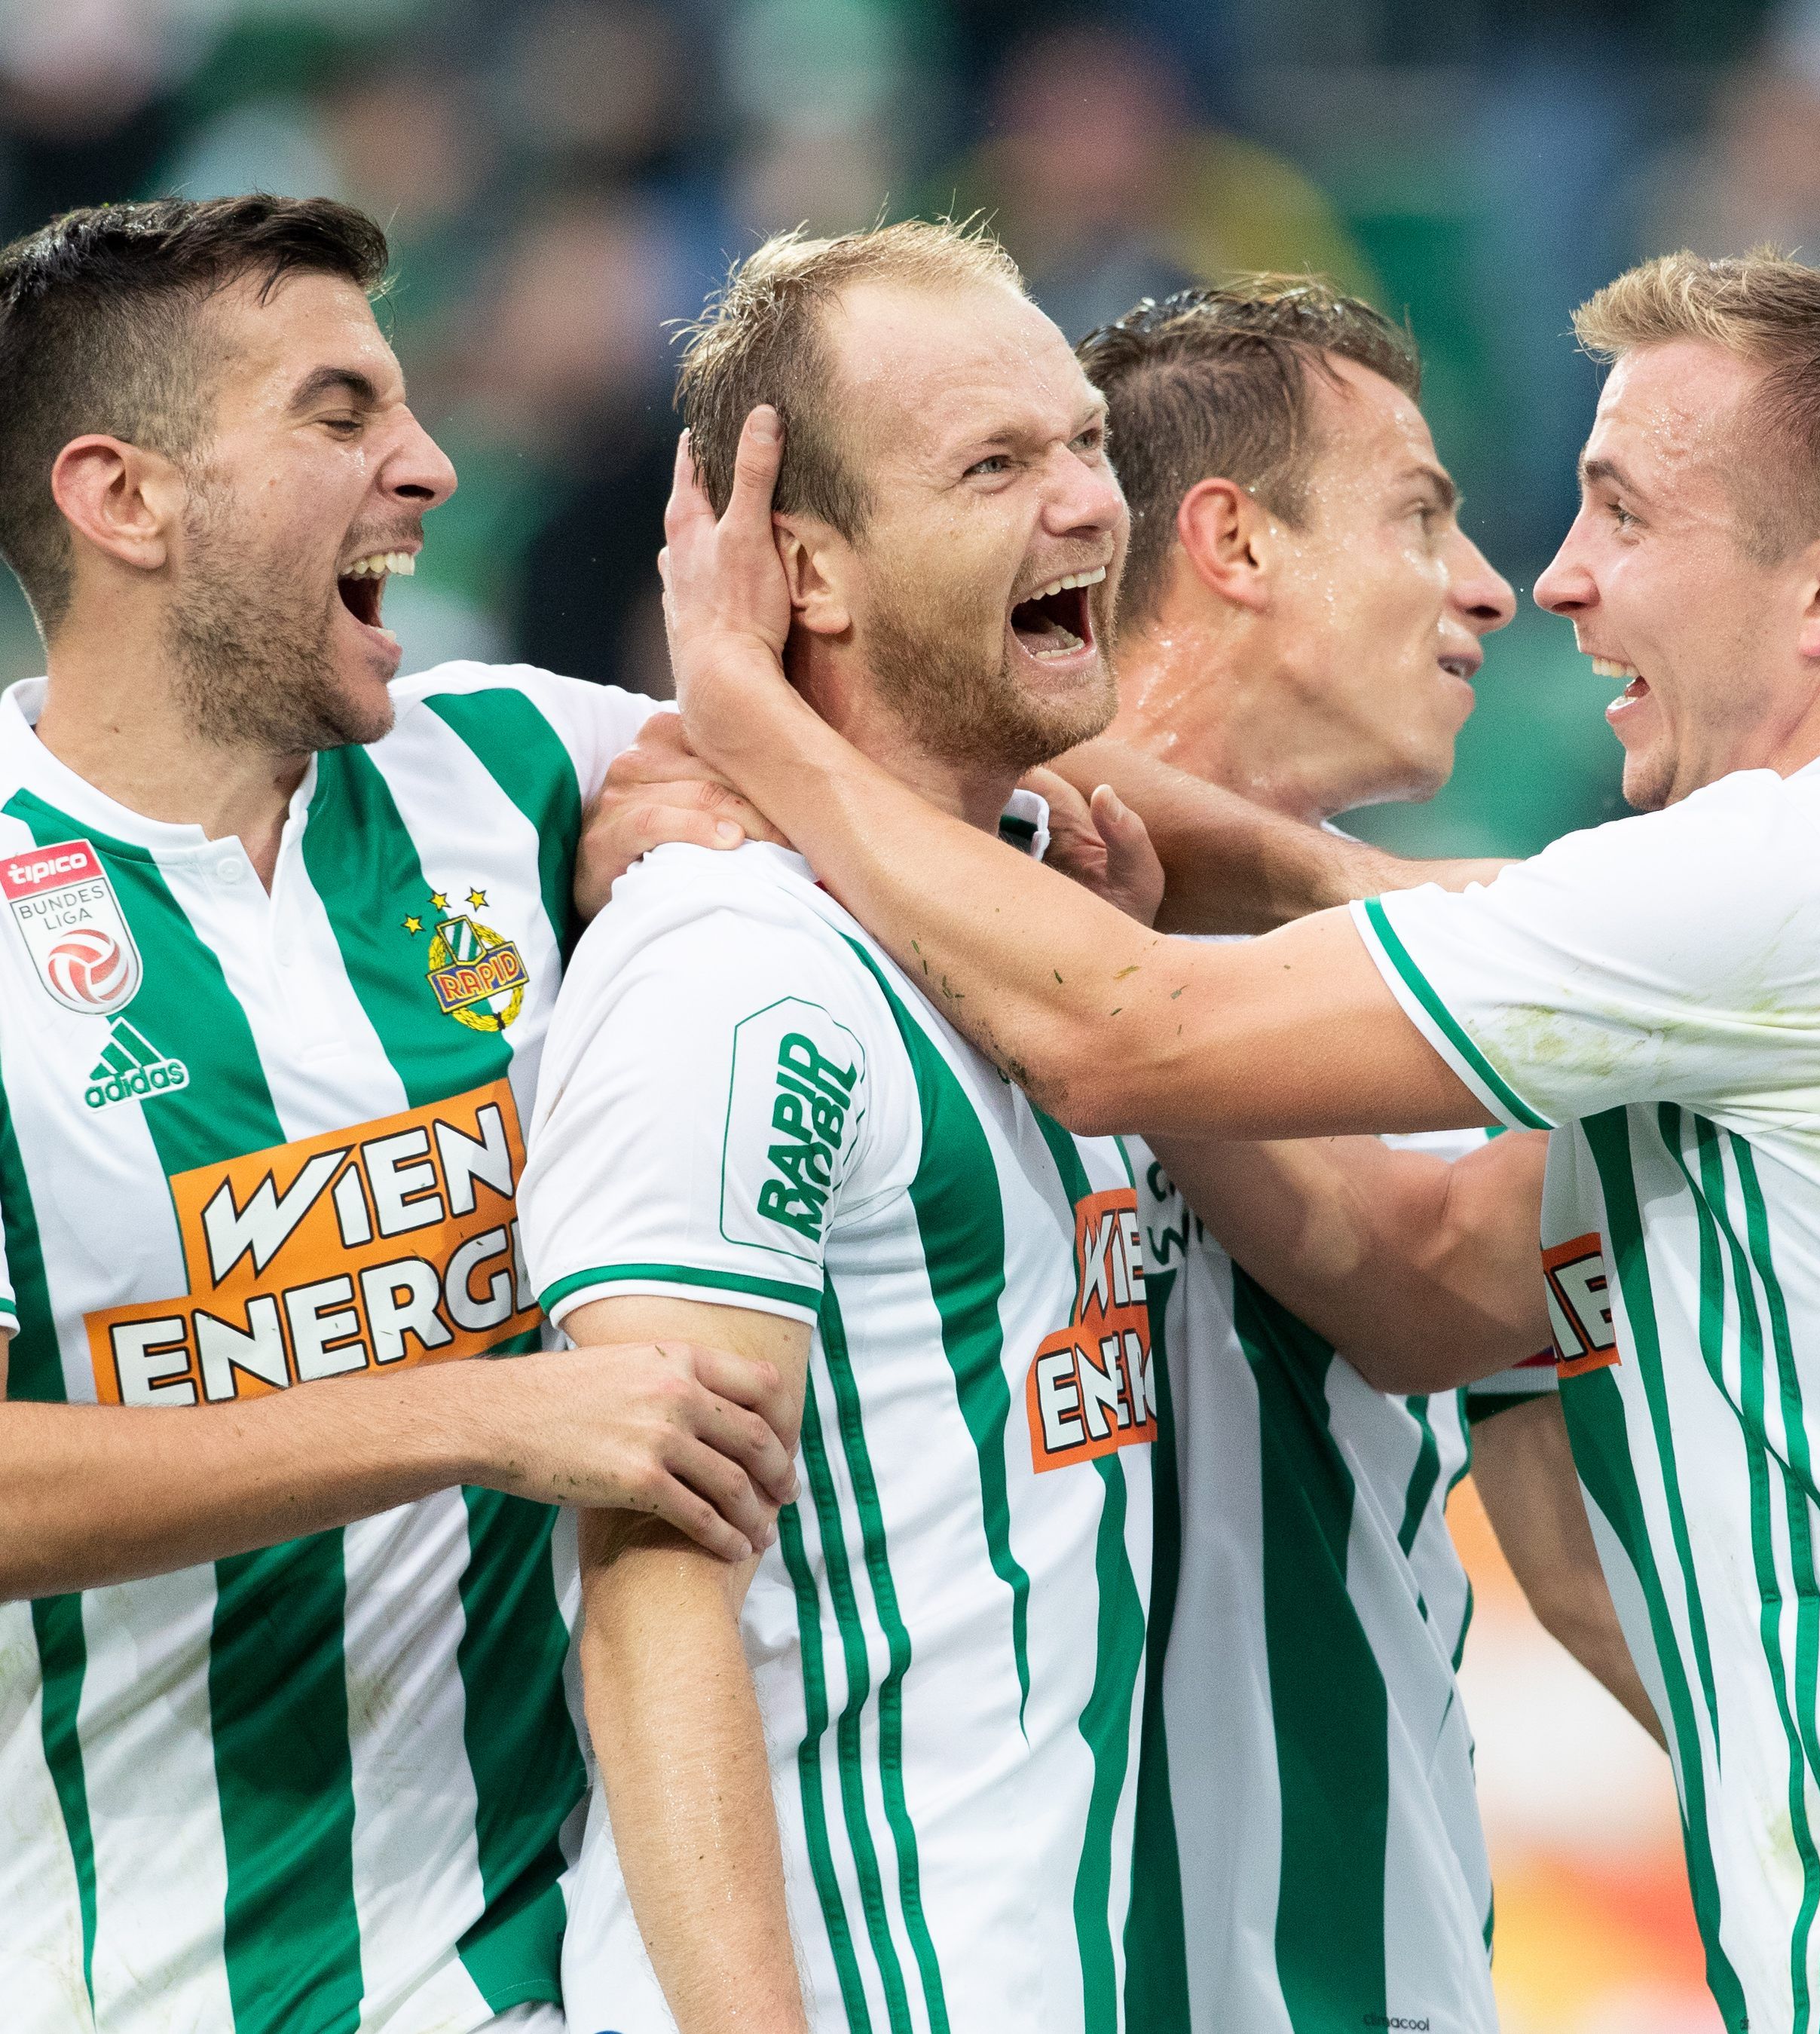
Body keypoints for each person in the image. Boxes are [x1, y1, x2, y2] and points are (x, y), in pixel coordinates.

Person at [659, 251, 1820, 2031]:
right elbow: (1440, 1285)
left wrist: (742, 713)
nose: (1540, 582)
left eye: (1615, 510)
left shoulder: (1769, 898)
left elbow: (1118, 1035)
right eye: (1434, 515)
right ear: (1230, 544)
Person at [0, 194, 797, 2034]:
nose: (428, 465)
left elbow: (887, 788)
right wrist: (475, 1412)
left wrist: (1088, 828)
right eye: (339, 413)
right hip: (137, 1987)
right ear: (126, 499)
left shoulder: (514, 762)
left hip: (557, 1972)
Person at [518, 220, 1155, 2034]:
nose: (1089, 506)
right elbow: (650, 1587)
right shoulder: (738, 969)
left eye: (1088, 441)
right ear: (808, 568)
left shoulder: (1051, 922)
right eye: (997, 463)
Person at [1055, 280, 1650, 2034]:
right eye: (1422, 513)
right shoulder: (867, 914)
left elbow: (1570, 1553)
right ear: (1233, 541)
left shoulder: (1459, 1003)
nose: (1490, 586)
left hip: (1359, 1973)